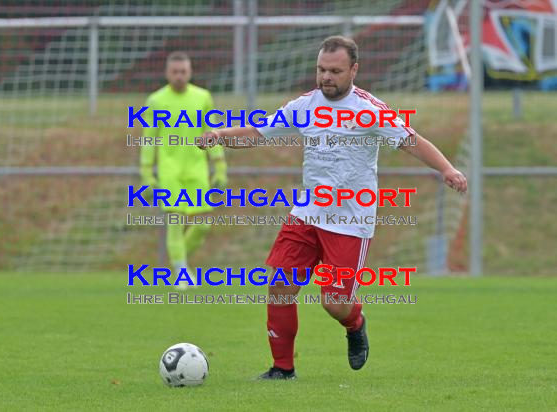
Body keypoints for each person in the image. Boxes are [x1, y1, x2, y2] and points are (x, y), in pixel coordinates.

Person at [199, 36, 467, 379]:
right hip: (308, 214)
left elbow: (411, 142)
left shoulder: (370, 109)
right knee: (279, 287)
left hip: (350, 220)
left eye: (335, 71)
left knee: (333, 302)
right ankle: (282, 369)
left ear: (353, 70)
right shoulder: (305, 105)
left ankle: (355, 323)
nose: (326, 77)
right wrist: (221, 134)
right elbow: (258, 132)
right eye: (321, 69)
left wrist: (447, 169)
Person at [140, 52, 227, 289]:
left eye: (183, 72)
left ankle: (179, 260)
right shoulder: (156, 101)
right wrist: (147, 174)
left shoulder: (202, 98)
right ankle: (181, 272)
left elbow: (211, 132)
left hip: (197, 169)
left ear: (190, 73)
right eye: (175, 72)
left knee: (202, 225)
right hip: (170, 172)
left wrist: (220, 167)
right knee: (175, 222)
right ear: (167, 73)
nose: (179, 76)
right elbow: (149, 139)